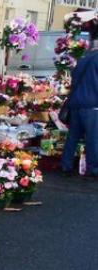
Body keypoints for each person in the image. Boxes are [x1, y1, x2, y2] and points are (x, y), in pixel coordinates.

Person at [61, 25, 98, 177]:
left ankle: (66, 165)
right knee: (93, 139)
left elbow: (74, 80)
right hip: (92, 105)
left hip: (76, 103)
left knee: (73, 136)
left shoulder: (83, 57)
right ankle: (93, 169)